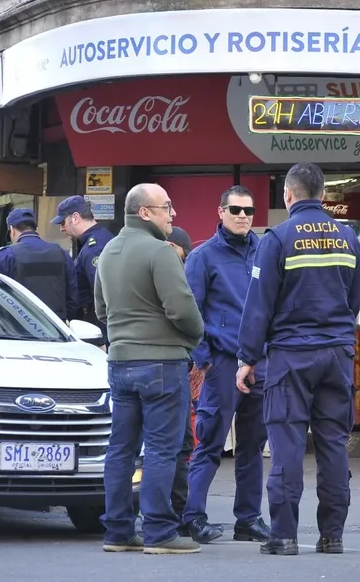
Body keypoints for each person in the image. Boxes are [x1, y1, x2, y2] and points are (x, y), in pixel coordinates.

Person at [236, 163, 360, 556]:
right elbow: (356, 298)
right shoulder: (348, 237)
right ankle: (333, 536)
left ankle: (285, 536)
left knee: (287, 444)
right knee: (333, 445)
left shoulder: (276, 238)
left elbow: (258, 305)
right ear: (322, 195)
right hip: (336, 356)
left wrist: (247, 357)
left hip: (291, 357)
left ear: (288, 196)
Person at [94, 184, 204, 555]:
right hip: (162, 362)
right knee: (162, 449)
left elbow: (100, 309)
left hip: (121, 362)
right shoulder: (160, 251)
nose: (172, 214)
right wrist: (192, 339)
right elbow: (183, 309)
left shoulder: (107, 251)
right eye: (166, 208)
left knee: (120, 449)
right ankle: (159, 532)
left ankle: (118, 531)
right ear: (144, 212)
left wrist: (122, 338)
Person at [183, 186, 269, 544]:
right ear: (220, 212)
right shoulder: (203, 257)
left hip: (260, 363)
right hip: (221, 363)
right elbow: (190, 315)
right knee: (210, 443)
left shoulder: (264, 251)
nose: (243, 216)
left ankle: (247, 519)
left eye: (248, 211)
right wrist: (206, 361)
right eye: (235, 210)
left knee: (253, 446)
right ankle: (192, 516)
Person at [0, 208, 78, 321]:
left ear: (12, 230)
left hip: (19, 329)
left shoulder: (5, 256)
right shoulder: (61, 253)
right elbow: (73, 296)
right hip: (57, 329)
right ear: (36, 229)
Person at [165, 226, 196, 535]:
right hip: (169, 365)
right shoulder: (169, 272)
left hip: (169, 364)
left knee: (176, 444)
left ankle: (175, 513)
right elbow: (187, 317)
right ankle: (171, 517)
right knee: (173, 444)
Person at [52, 195, 114, 338]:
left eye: (63, 223)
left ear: (75, 217)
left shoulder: (94, 247)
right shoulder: (100, 238)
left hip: (98, 325)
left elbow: (103, 292)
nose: (62, 229)